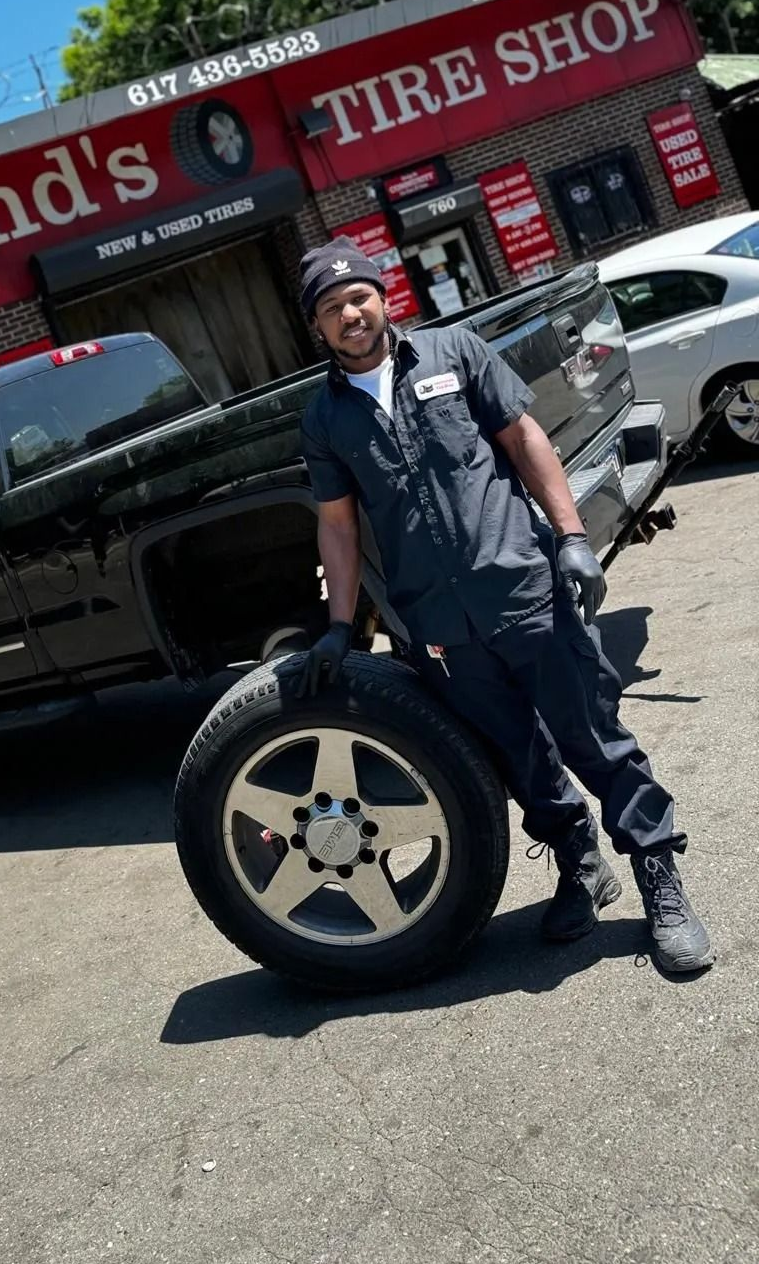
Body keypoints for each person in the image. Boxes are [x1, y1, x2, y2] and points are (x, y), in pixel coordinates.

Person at [296, 238, 713, 974]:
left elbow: (523, 438)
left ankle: (658, 873)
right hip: (440, 627)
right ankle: (580, 860)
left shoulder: (453, 352)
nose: (349, 314)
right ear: (318, 329)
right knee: (518, 757)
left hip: (521, 589)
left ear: (381, 295)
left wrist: (572, 538)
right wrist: (338, 624)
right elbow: (337, 522)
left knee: (593, 735)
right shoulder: (325, 417)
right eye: (331, 309)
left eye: (356, 296)